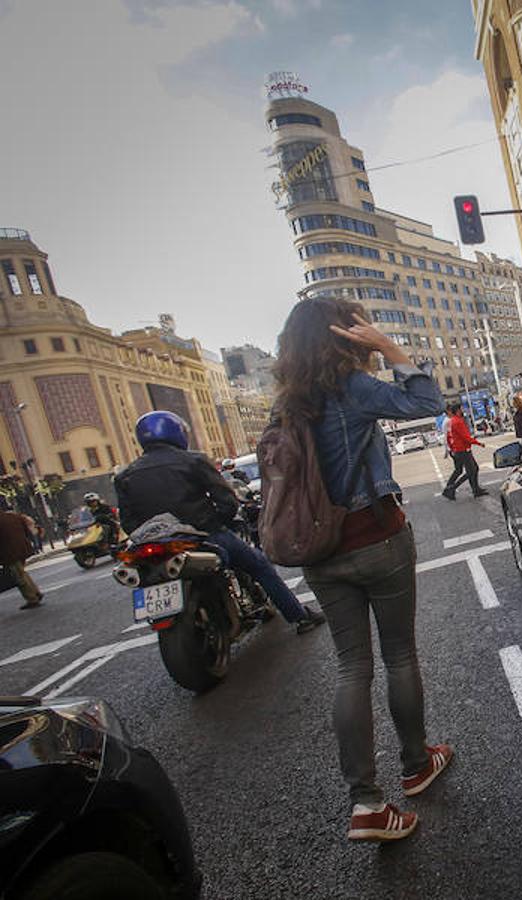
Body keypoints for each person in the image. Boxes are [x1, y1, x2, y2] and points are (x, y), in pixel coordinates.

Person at [273, 297, 451, 843]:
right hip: (376, 537)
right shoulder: (349, 387)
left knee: (352, 670)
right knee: (399, 654)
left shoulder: (287, 406)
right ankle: (417, 764)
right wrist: (389, 347)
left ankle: (367, 804)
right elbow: (426, 401)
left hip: (320, 553)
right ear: (344, 338)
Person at [114, 411, 324, 636]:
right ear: (177, 433)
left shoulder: (125, 475)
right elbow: (226, 500)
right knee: (260, 565)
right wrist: (217, 521)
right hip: (202, 535)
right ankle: (299, 617)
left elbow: (128, 521)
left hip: (154, 547)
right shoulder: (193, 460)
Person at [441, 402, 487, 500]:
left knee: (472, 469)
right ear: (457, 411)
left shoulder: (453, 421)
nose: (463, 411)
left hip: (459, 449)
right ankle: (451, 489)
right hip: (463, 450)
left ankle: (475, 489)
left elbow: (450, 437)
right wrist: (478, 443)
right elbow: (466, 437)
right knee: (471, 471)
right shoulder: (457, 421)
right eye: (461, 409)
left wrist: (451, 449)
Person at [1, 505, 43, 610]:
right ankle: (36, 593)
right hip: (22, 548)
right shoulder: (13, 516)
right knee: (22, 573)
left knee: (19, 577)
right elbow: (27, 529)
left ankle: (32, 598)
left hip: (10, 552)